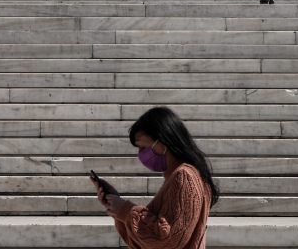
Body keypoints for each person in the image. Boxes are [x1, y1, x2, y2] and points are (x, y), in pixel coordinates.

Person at [93, 106, 219, 249]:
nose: (140, 155)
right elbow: (145, 241)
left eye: (143, 148)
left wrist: (126, 210)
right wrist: (118, 209)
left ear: (163, 142)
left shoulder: (184, 176)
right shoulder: (180, 175)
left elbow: (168, 239)